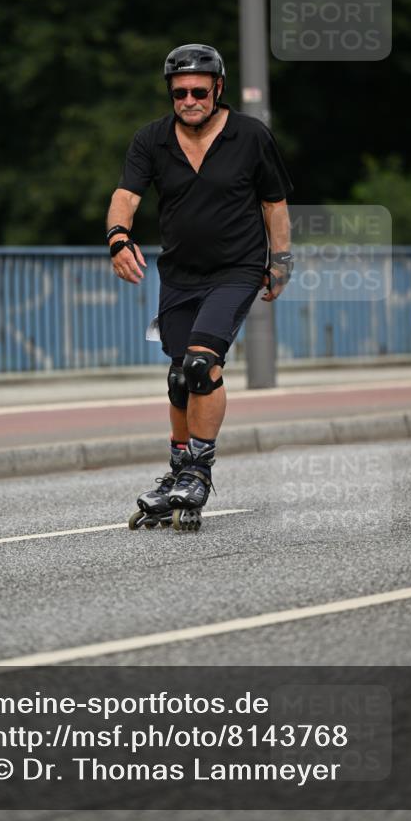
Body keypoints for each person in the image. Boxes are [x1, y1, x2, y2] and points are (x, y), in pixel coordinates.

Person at [106, 43, 294, 530]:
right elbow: (126, 195)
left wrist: (281, 261)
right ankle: (177, 473)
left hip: (236, 269)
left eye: (198, 91)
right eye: (179, 92)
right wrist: (117, 238)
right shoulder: (152, 140)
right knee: (178, 377)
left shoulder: (250, 136)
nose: (189, 100)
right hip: (180, 274)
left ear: (218, 89)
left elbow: (274, 204)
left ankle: (197, 471)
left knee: (201, 362)